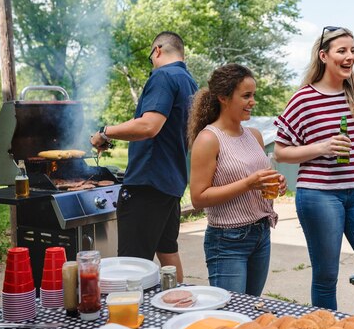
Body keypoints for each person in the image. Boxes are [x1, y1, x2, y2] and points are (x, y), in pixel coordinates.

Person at [274, 26, 354, 322]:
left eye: (353, 50)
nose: (349, 56)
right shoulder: (304, 99)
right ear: (324, 55)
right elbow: (281, 151)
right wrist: (321, 147)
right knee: (326, 276)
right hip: (318, 196)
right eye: (342, 50)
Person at [90, 31, 197, 283]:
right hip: (171, 183)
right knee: (168, 251)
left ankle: (129, 320)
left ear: (157, 50)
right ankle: (178, 306)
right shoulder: (190, 82)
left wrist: (106, 132)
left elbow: (149, 126)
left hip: (147, 184)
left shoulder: (163, 76)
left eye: (151, 57)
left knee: (132, 264)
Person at [188, 63, 286, 296]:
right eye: (246, 96)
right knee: (230, 315)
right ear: (223, 97)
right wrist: (248, 183)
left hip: (261, 233)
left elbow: (259, 178)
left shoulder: (254, 135)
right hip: (227, 241)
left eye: (253, 95)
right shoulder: (208, 139)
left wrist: (277, 182)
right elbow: (198, 198)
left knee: (250, 309)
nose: (252, 101)